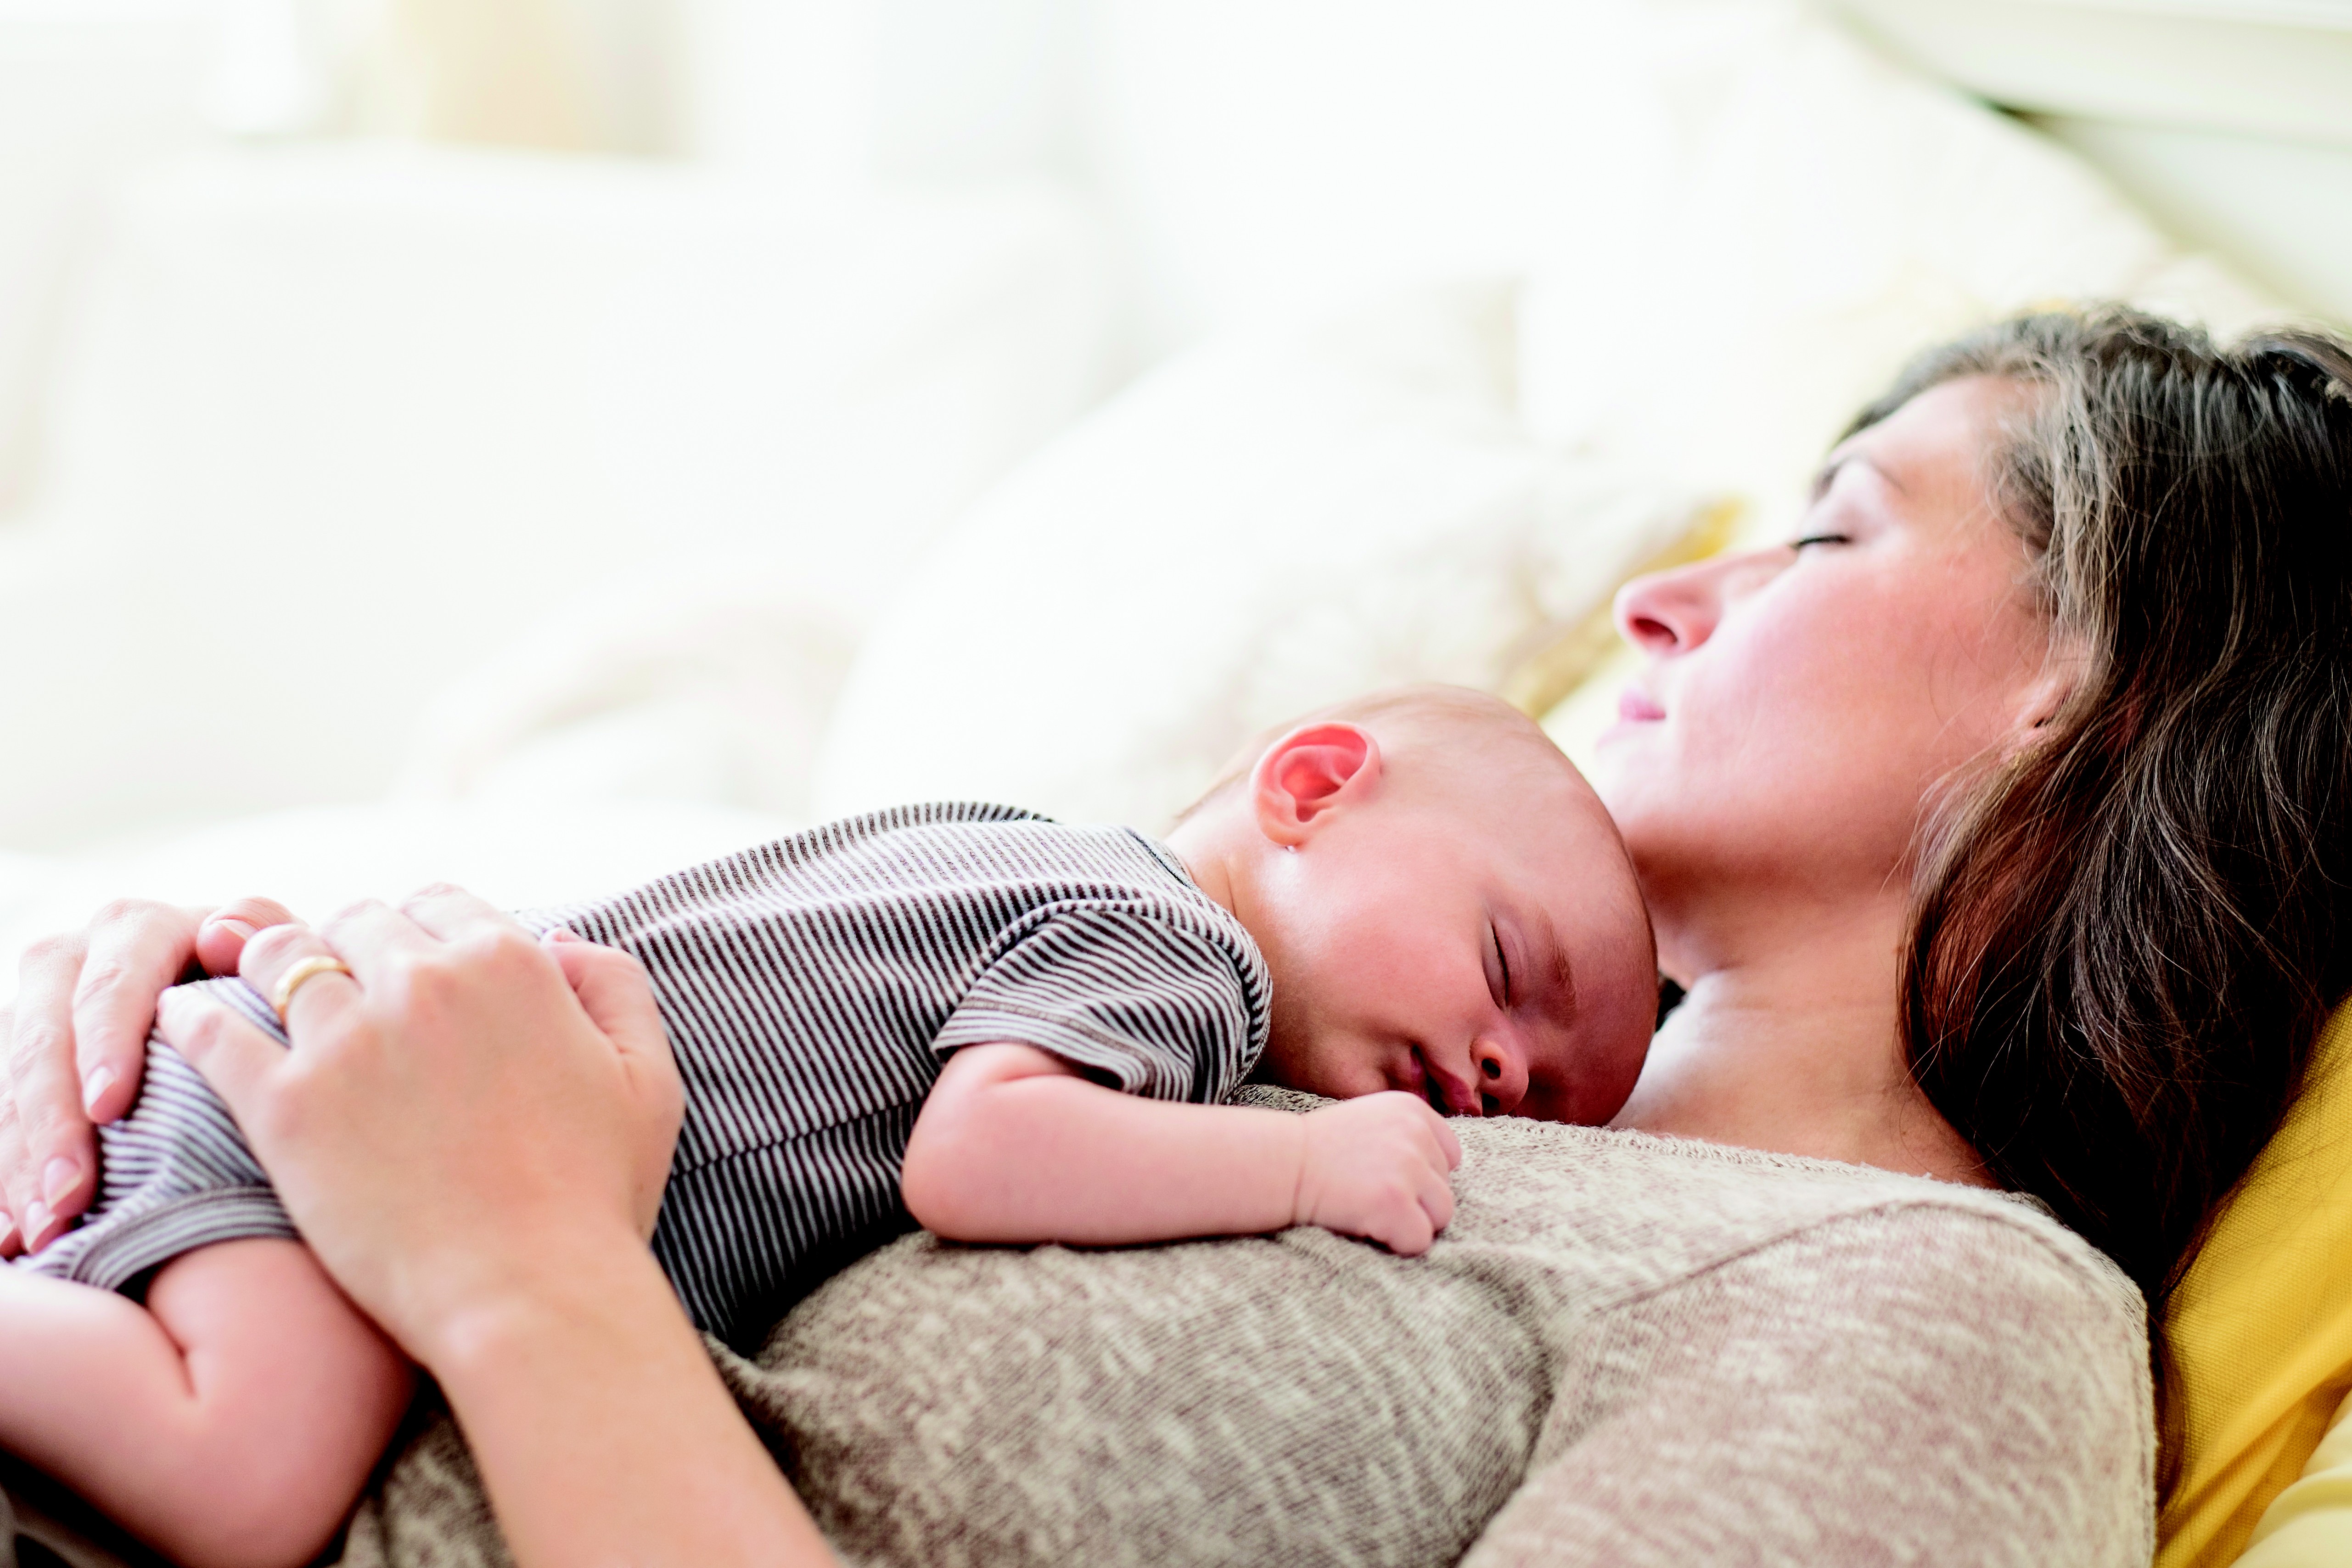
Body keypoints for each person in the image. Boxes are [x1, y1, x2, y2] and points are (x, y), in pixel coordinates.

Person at [1, 308, 2347, 1566]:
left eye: (1833, 535)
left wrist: (518, 1275)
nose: (1664, 596)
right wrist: (252, 1011)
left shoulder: (1938, 1320)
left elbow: (554, 1241)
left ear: (2121, 673)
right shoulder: (1276, 1029)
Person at [0, 687, 1659, 1568]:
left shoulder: (1007, 845)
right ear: (1308, 789)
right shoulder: (1185, 962)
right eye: (1511, 972)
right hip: (312, 1143)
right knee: (247, 1481)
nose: (1510, 1073)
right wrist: (1307, 1161)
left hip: (303, 1080)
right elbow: (981, 1156)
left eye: (1559, 1092)